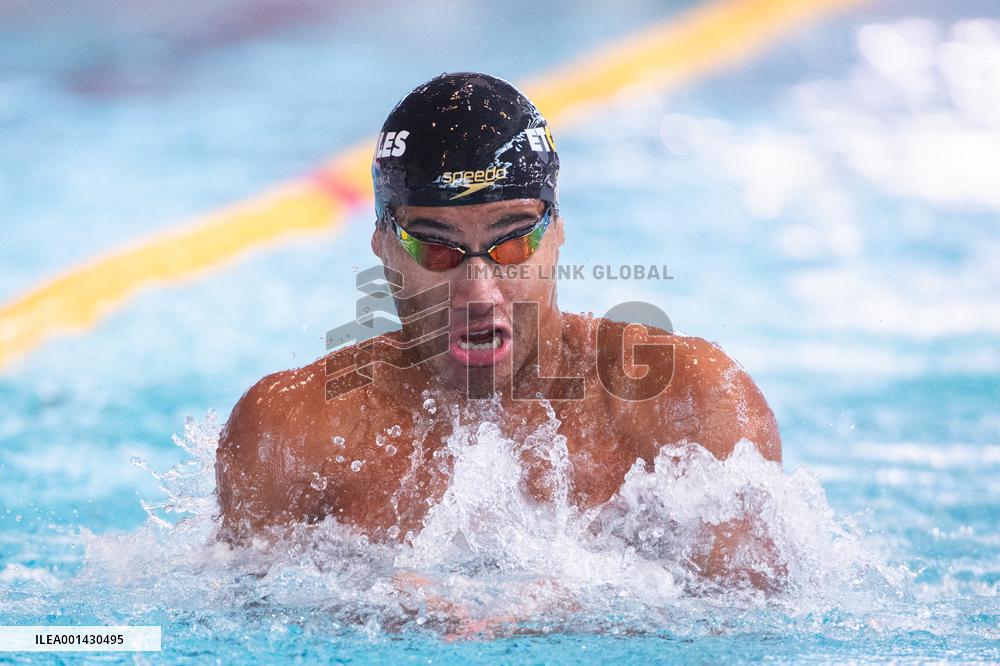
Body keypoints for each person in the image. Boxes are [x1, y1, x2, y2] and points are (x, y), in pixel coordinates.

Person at [215, 73, 781, 586]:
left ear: (556, 232)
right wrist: (369, 609)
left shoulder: (687, 404)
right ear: (384, 244)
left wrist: (579, 611)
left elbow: (759, 624)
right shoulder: (293, 431)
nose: (479, 292)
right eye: (436, 248)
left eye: (512, 242)